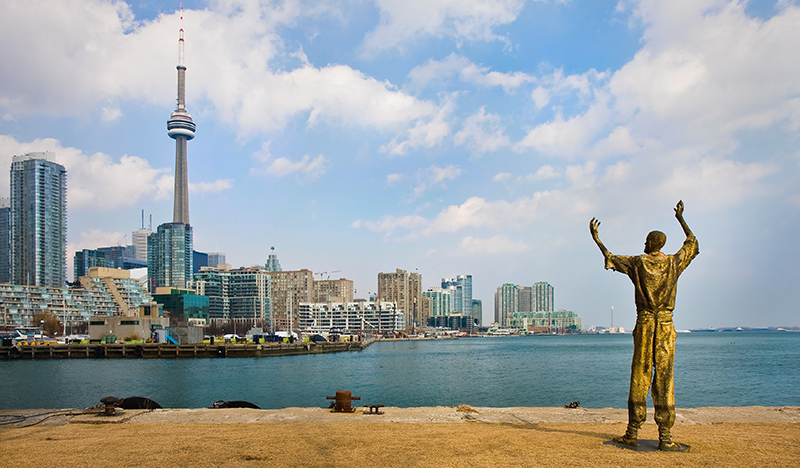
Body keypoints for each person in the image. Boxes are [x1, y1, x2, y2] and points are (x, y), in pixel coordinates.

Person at [590, 200, 699, 451]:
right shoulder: (673, 263)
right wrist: (681, 219)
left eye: (646, 242)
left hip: (646, 322)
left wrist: (597, 239)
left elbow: (611, 258)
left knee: (640, 374)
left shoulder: (638, 263)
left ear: (652, 244)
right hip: (666, 326)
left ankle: (632, 432)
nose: (644, 245)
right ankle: (666, 437)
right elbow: (692, 242)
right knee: (665, 376)